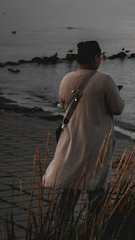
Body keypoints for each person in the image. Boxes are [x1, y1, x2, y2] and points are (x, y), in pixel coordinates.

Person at [42, 39, 125, 202]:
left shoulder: (66, 79)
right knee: (96, 186)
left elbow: (64, 105)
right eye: (99, 56)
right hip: (97, 142)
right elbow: (118, 108)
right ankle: (94, 226)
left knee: (70, 186)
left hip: (72, 139)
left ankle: (61, 225)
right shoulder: (105, 81)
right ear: (95, 58)